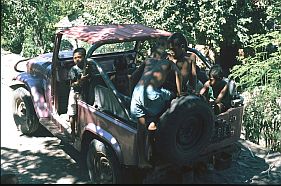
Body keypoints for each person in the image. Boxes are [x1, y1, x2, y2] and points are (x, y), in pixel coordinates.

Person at [130, 43, 182, 168]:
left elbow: (132, 77)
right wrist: (180, 93)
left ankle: (142, 160)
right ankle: (154, 121)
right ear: (166, 55)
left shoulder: (147, 60)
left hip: (137, 92)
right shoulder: (168, 63)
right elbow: (178, 74)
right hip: (151, 93)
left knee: (140, 129)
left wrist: (131, 94)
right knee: (172, 96)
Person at [67, 47, 91, 139]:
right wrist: (80, 81)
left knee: (83, 114)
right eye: (75, 58)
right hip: (75, 93)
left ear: (84, 57)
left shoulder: (88, 67)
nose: (77, 59)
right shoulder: (73, 69)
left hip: (85, 93)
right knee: (72, 113)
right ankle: (72, 132)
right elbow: (71, 85)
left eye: (79, 57)